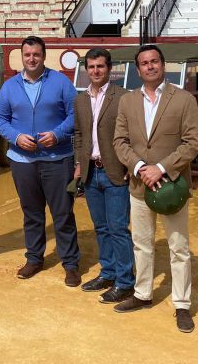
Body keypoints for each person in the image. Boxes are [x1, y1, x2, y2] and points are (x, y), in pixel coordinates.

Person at [112, 44, 198, 333]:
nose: (150, 67)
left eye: (154, 62)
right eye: (144, 63)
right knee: (142, 244)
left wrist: (160, 168)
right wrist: (140, 167)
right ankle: (143, 294)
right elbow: (119, 142)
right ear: (137, 70)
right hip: (139, 185)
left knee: (179, 247)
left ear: (163, 65)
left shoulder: (184, 99)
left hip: (172, 186)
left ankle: (182, 304)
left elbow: (192, 143)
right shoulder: (127, 101)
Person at [0, 36, 81, 287]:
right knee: (31, 213)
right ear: (22, 57)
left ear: (44, 56)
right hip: (22, 160)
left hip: (57, 159)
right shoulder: (10, 87)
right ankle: (34, 258)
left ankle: (71, 264)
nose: (32, 59)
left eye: (37, 55)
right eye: (27, 55)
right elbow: (0, 119)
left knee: (62, 213)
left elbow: (76, 114)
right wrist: (17, 137)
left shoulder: (61, 82)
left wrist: (58, 134)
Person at [73, 48, 134, 304]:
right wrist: (78, 163)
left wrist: (131, 164)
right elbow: (78, 135)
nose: (95, 71)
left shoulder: (124, 97)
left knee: (118, 228)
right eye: (91, 67)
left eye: (100, 66)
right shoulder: (80, 100)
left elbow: (134, 133)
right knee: (101, 228)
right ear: (86, 69)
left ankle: (125, 281)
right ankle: (107, 272)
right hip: (90, 172)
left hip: (115, 171)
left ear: (109, 68)